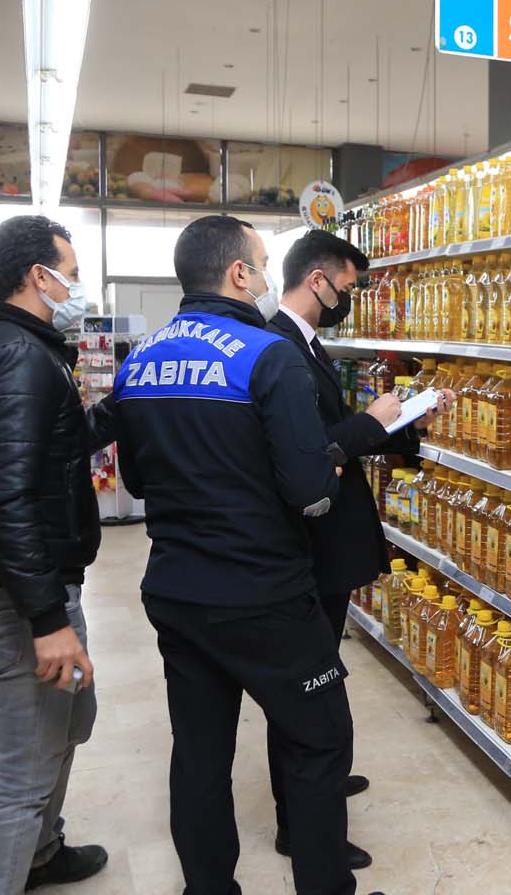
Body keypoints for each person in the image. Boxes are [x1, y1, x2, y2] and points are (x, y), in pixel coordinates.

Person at [111, 215, 371, 895]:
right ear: (238, 273)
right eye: (259, 263)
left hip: (176, 588)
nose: (264, 277)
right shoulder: (268, 355)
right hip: (265, 593)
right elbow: (309, 490)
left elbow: (135, 479)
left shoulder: (139, 361)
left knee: (199, 755)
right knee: (318, 739)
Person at [264, 230, 455, 866]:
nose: (351, 298)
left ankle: (319, 780)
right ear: (317, 280)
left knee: (319, 677)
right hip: (310, 545)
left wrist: (400, 424)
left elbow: (337, 434)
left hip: (328, 544)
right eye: (347, 287)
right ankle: (301, 822)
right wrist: (370, 421)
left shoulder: (305, 343)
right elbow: (317, 451)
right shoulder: (280, 348)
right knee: (307, 688)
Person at [0, 214, 115, 894]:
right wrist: (47, 620)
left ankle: (42, 853)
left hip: (37, 582)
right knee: (22, 768)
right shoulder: (18, 357)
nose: (77, 286)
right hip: (21, 597)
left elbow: (52, 449)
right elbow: (8, 500)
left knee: (67, 724)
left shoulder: (18, 347)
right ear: (38, 276)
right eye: (71, 273)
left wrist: (122, 406)